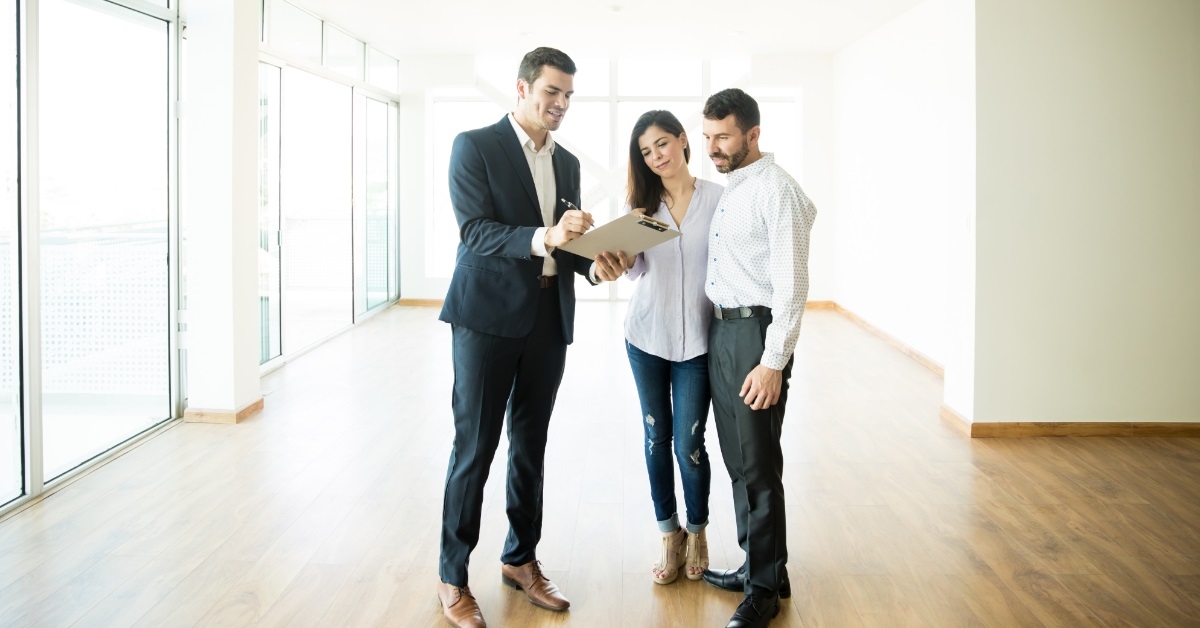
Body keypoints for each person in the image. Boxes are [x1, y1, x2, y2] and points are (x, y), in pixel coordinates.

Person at [436, 47, 595, 628]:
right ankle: (452, 577)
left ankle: (520, 559)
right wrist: (545, 235)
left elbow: (568, 244)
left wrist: (598, 263)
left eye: (568, 95)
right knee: (474, 447)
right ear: (523, 87)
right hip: (486, 320)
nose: (561, 103)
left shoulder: (568, 162)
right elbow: (476, 231)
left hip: (548, 319)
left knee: (531, 444)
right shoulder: (475, 146)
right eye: (552, 91)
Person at [698, 88, 817, 628]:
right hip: (723, 330)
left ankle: (764, 592)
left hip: (757, 335)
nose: (712, 147)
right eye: (707, 136)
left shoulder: (777, 190)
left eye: (722, 137)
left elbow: (793, 285)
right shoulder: (735, 188)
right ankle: (763, 568)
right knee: (738, 461)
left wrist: (773, 361)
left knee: (759, 467)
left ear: (753, 134)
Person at [593, 110, 723, 586]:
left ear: (683, 140)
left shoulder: (719, 200)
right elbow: (635, 271)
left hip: (699, 342)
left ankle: (698, 531)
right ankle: (670, 534)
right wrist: (621, 258)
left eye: (662, 144)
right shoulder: (642, 210)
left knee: (690, 445)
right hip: (646, 337)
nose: (656, 157)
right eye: (646, 152)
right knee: (656, 438)